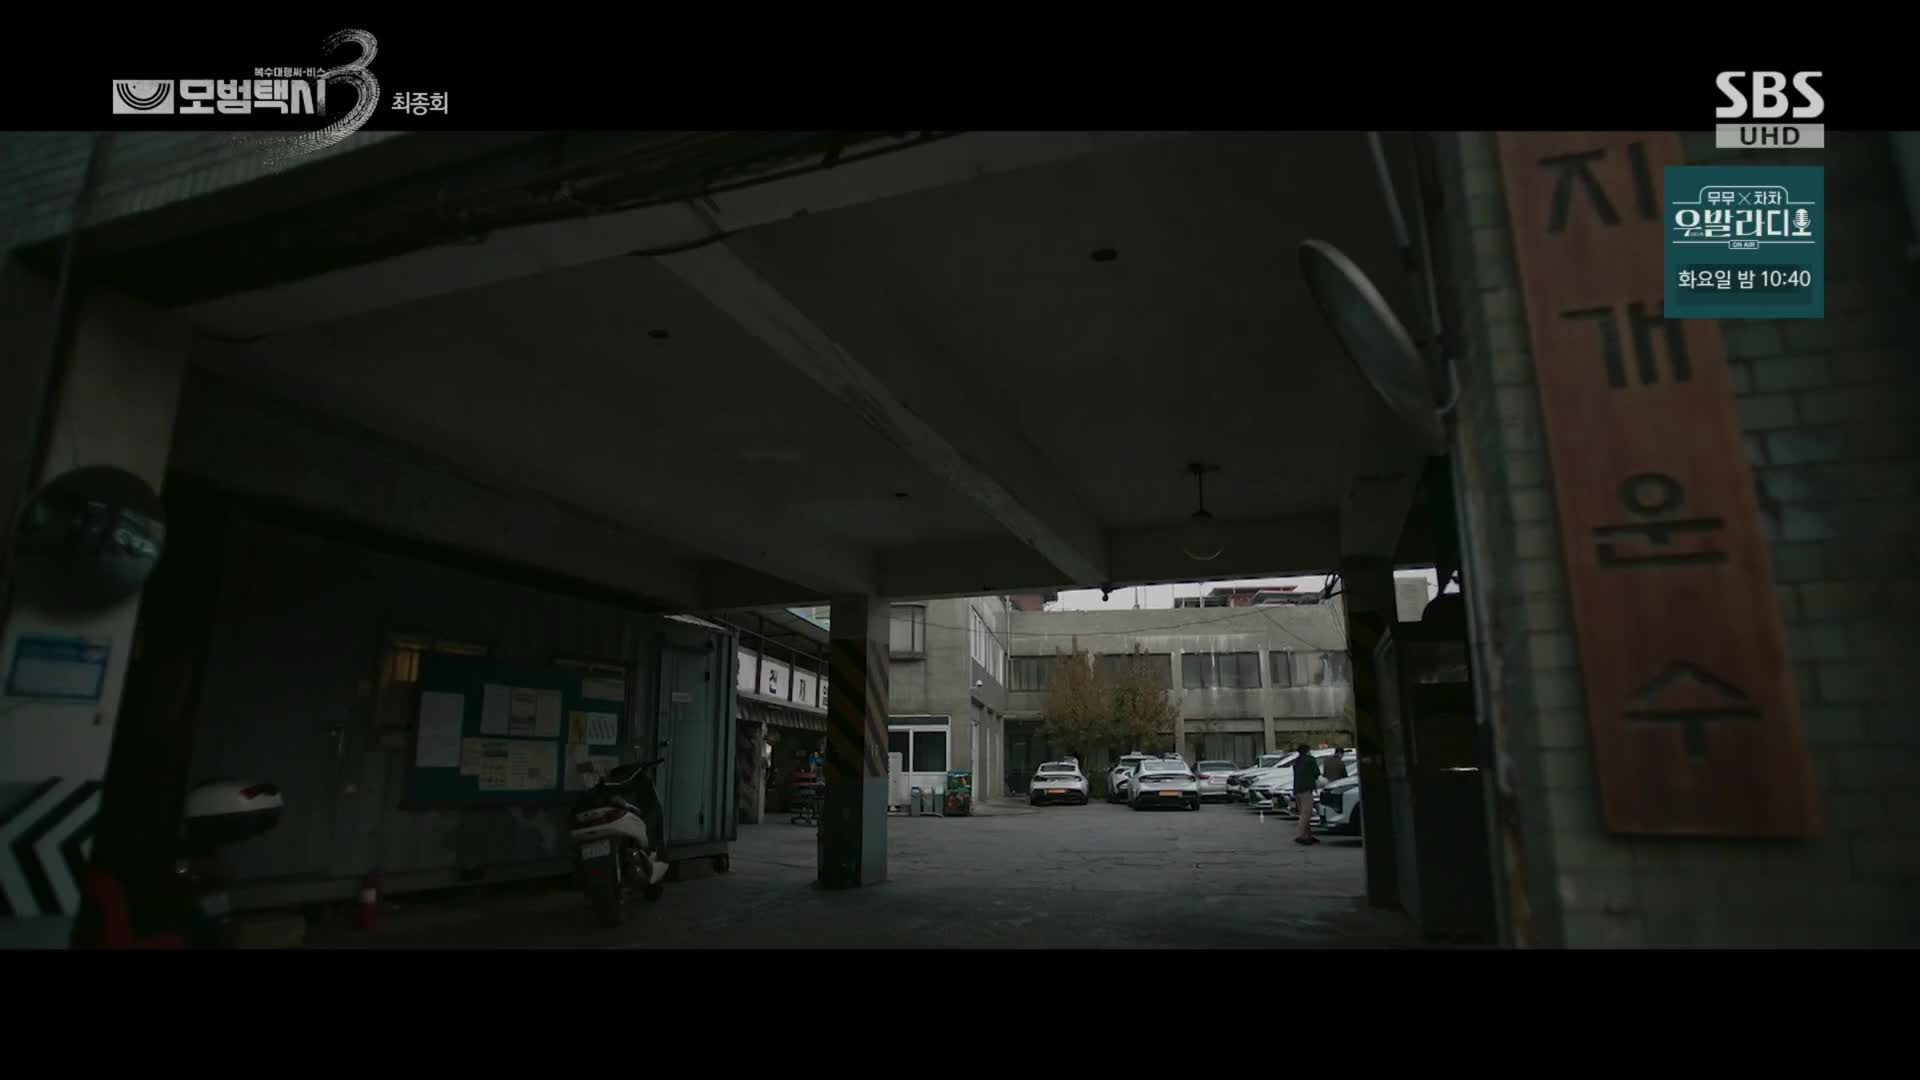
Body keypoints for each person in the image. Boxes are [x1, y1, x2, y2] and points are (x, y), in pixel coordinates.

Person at [1292, 744, 1320, 845]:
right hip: (1306, 789)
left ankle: (1308, 835)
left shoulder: (1297, 761)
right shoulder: (1310, 760)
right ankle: (1301, 835)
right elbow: (1316, 773)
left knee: (1303, 813)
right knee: (1306, 813)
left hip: (1297, 790)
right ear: (1308, 750)